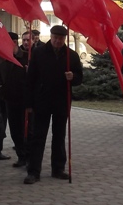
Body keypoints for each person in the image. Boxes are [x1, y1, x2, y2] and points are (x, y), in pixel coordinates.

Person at [23, 25, 83, 184]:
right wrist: (28, 102)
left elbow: (80, 78)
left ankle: (58, 168)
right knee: (38, 137)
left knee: (59, 136)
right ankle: (33, 171)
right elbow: (30, 79)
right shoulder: (39, 52)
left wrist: (73, 77)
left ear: (65, 39)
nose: (58, 41)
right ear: (50, 36)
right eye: (55, 38)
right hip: (41, 101)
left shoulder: (71, 55)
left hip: (61, 101)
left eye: (61, 38)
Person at [0, 32, 30, 167]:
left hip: (26, 100)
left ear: (15, 42)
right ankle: (21, 156)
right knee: (15, 131)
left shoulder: (27, 58)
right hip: (10, 100)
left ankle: (30, 156)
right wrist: (1, 88)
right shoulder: (2, 59)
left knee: (27, 130)